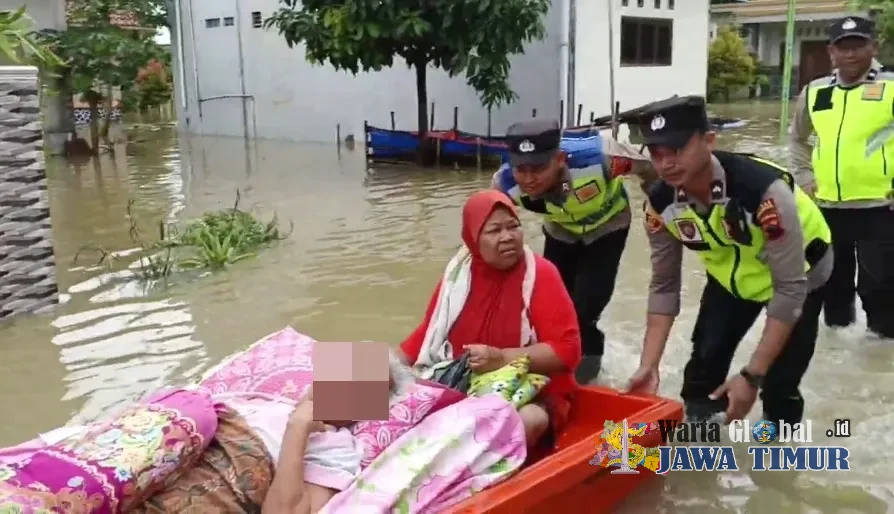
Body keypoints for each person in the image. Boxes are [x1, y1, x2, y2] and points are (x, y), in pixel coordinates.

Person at [626, 96, 834, 425]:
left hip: (801, 276)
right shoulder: (660, 204)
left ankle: (777, 461)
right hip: (732, 279)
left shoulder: (763, 194)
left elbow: (790, 289)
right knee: (702, 368)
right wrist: (648, 364)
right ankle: (700, 455)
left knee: (780, 383)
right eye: (656, 153)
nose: (666, 163)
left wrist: (751, 376)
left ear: (709, 141)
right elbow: (664, 284)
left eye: (677, 149)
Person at [398, 190, 582, 449]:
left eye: (513, 227)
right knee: (365, 370)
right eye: (494, 230)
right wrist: (387, 365)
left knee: (526, 419)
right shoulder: (457, 276)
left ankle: (483, 482)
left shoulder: (542, 273)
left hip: (533, 391)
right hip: (461, 384)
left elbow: (568, 352)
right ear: (473, 239)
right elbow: (429, 333)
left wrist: (502, 358)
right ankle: (325, 434)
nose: (507, 237)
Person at [490, 118, 652, 383]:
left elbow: (648, 168)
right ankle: (557, 362)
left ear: (560, 158)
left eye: (539, 168)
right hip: (561, 230)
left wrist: (657, 204)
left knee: (585, 309)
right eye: (522, 169)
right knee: (553, 305)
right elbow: (488, 224)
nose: (529, 179)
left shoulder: (602, 158)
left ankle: (587, 377)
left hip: (608, 225)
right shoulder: (505, 183)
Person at [789, 16, 894, 339]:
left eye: (858, 46)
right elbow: (797, 139)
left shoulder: (890, 86)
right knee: (831, 285)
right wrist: (804, 177)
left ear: (873, 47)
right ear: (831, 51)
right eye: (843, 47)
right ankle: (840, 352)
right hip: (827, 207)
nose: (850, 55)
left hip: (881, 207)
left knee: (880, 286)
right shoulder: (816, 91)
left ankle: (881, 351)